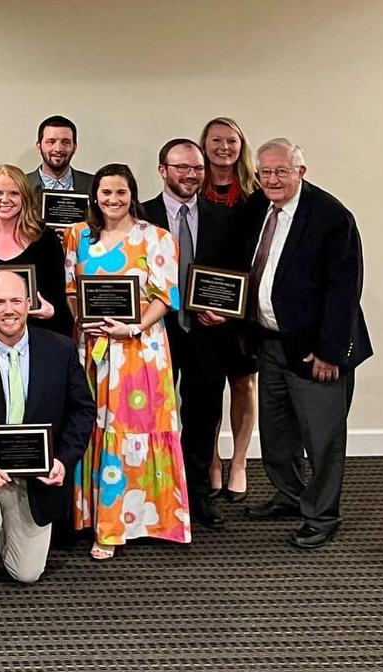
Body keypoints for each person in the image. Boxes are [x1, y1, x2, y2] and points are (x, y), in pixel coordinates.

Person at [238, 139, 371, 550]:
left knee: (322, 437)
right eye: (265, 172)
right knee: (277, 433)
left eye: (281, 171)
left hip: (317, 351)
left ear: (301, 171)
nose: (272, 179)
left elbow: (344, 289)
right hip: (270, 343)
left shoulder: (331, 217)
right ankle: (290, 494)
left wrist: (331, 351)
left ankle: (322, 515)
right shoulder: (257, 208)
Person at [0, 271, 95, 610]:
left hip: (36, 478)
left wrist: (64, 462)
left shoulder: (61, 350)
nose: (8, 309)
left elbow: (83, 412)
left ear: (28, 303)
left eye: (14, 300)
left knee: (26, 573)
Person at [63, 164, 191, 560]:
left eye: (120, 193)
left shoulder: (157, 238)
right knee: (94, 427)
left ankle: (127, 523)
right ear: (94, 196)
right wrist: (85, 321)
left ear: (132, 194)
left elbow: (164, 297)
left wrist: (131, 328)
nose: (113, 200)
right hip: (93, 348)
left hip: (139, 353)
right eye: (105, 193)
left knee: (132, 427)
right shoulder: (77, 236)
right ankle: (96, 518)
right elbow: (71, 289)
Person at [142, 139, 237, 530]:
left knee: (202, 418)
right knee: (150, 419)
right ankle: (154, 498)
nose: (190, 175)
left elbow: (235, 276)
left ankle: (197, 497)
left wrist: (227, 312)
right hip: (153, 335)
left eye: (196, 168)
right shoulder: (140, 215)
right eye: (181, 167)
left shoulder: (222, 217)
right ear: (163, 169)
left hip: (206, 335)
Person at [199, 116, 260, 501]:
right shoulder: (191, 190)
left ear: (242, 146)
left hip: (245, 310)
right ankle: (210, 462)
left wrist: (237, 308)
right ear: (204, 145)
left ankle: (238, 460)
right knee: (205, 389)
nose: (224, 147)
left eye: (232, 141)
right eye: (216, 140)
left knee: (243, 383)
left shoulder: (257, 195)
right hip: (200, 309)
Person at [0, 164, 73, 339]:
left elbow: (57, 291)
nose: (5, 199)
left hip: (39, 334)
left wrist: (51, 310)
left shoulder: (45, 239)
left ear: (24, 197)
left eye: (13, 193)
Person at [26, 115, 94, 196]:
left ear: (74, 147)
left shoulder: (94, 185)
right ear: (39, 146)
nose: (58, 149)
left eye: (66, 142)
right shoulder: (21, 184)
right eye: (51, 142)